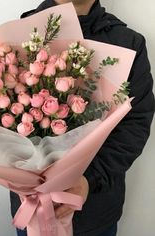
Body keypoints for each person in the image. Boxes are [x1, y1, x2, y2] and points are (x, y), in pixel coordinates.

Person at [9, 0, 155, 235]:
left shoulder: (128, 42)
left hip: (97, 209)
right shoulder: (22, 32)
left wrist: (89, 180)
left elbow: (136, 123)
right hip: (33, 208)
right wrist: (24, 180)